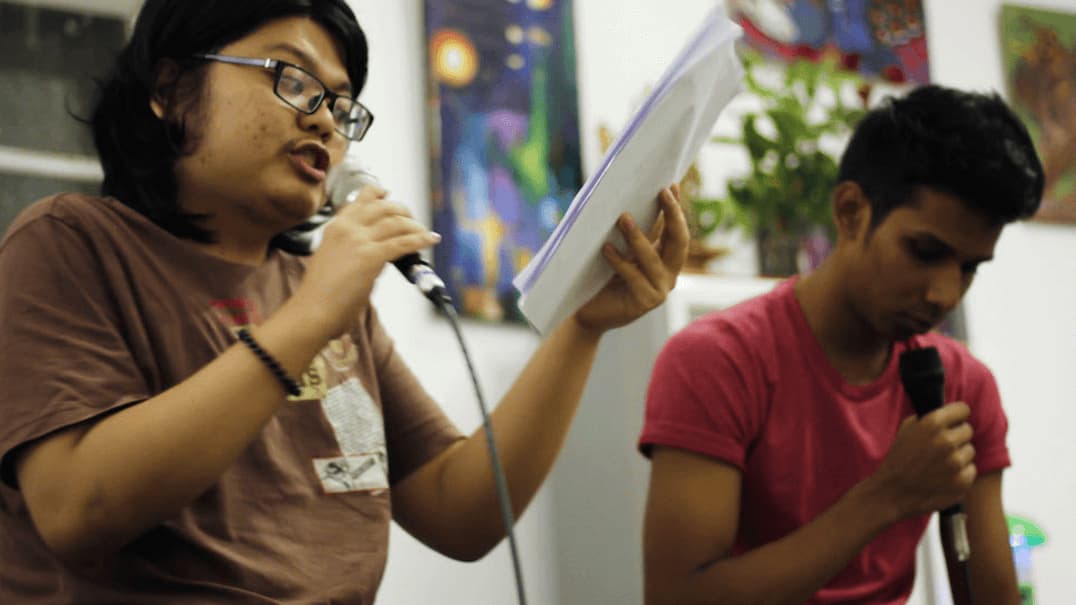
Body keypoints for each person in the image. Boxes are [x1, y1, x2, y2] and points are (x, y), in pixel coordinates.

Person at [0, 1, 689, 602]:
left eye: (341, 104)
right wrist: (307, 319)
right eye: (293, 80)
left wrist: (583, 327)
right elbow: (77, 505)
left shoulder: (323, 294)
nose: (327, 123)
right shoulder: (70, 242)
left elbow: (463, 509)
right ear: (171, 87)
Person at [640, 84, 1043, 605]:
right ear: (850, 211)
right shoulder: (718, 361)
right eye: (924, 252)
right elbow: (677, 598)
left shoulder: (963, 385)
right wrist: (887, 496)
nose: (944, 294)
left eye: (969, 268)